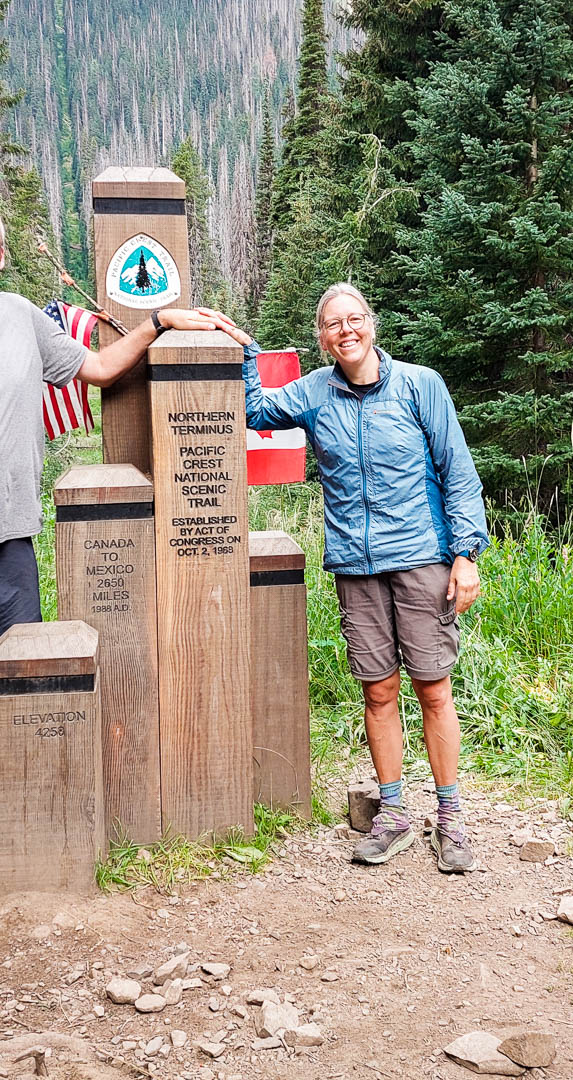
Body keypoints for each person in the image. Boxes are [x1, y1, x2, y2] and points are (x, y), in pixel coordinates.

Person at [0, 198, 239, 932]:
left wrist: (160, 323)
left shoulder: (26, 319)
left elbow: (93, 367)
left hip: (5, 537)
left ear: (1, 255)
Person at [234, 283, 488, 872]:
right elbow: (254, 411)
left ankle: (450, 817)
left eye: (354, 319)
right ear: (321, 337)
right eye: (332, 324)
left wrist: (466, 553)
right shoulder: (314, 392)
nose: (345, 331)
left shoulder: (420, 385)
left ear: (371, 324)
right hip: (355, 563)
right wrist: (247, 352)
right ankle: (394, 813)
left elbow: (458, 471)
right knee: (378, 689)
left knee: (433, 687)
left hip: (423, 558)